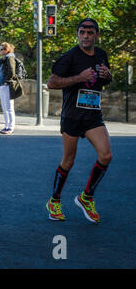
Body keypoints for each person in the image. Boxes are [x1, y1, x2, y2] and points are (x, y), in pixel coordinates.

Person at [45, 18, 113, 223]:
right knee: (69, 160)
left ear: (96, 35)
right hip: (72, 117)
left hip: (93, 115)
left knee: (106, 155)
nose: (85, 36)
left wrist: (107, 75)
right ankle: (54, 201)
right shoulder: (69, 57)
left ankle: (86, 197)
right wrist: (79, 77)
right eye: (82, 32)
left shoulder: (101, 55)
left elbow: (106, 79)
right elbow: (52, 83)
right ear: (77, 34)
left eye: (90, 33)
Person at [0, 42, 17, 134]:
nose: (0, 51)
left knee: (9, 107)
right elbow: (1, 72)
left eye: (1, 49)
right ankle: (6, 126)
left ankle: (11, 127)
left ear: (7, 50)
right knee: (4, 107)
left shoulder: (10, 58)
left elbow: (12, 71)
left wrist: (7, 81)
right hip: (2, 84)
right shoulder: (4, 59)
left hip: (7, 85)